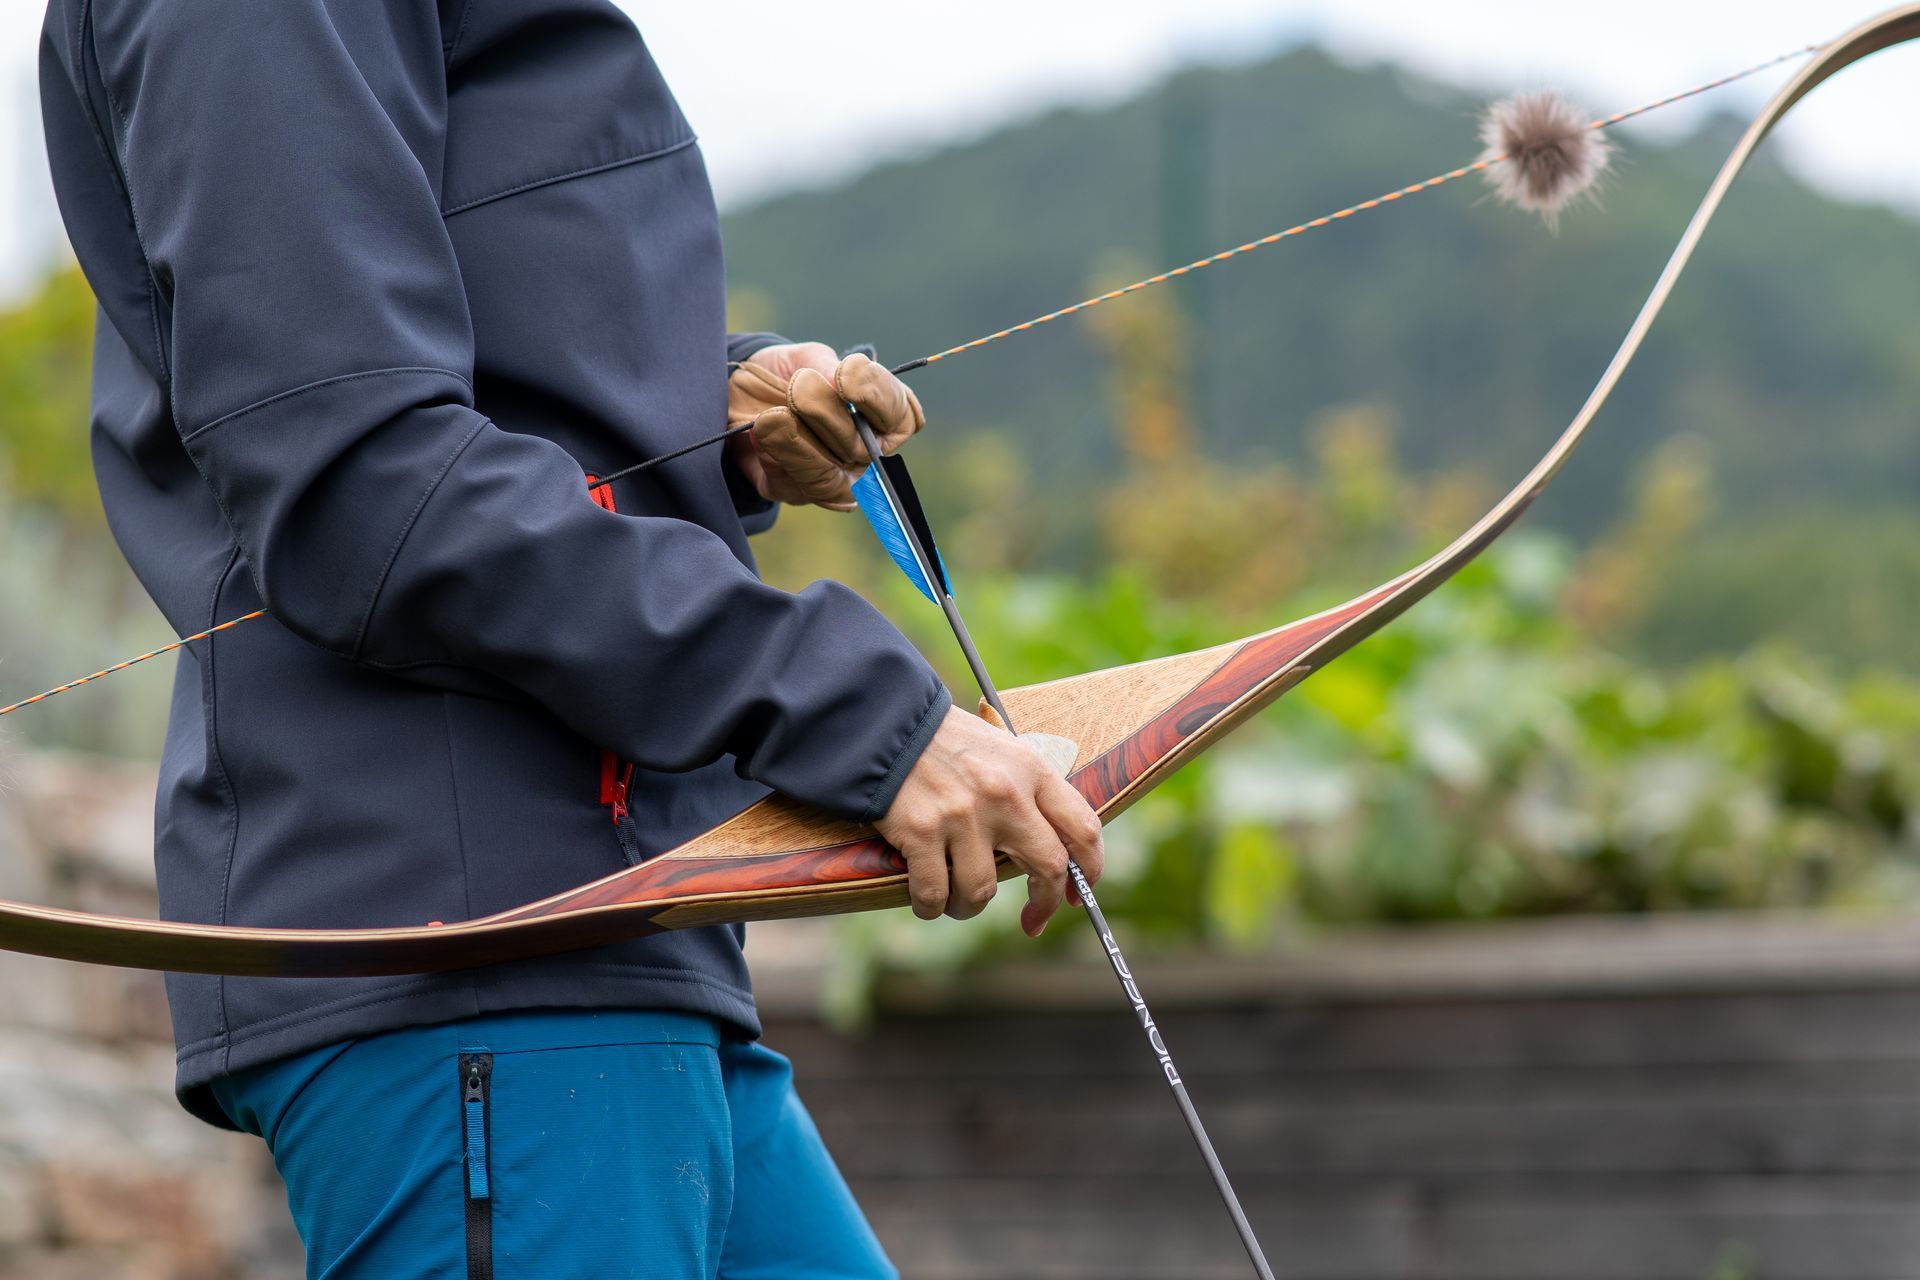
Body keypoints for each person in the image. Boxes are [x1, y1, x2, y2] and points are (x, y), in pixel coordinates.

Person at [36, 2, 1104, 1277]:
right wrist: (849, 707)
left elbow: (446, 371)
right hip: (480, 979)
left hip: (623, 951)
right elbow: (361, 484)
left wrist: (699, 412)